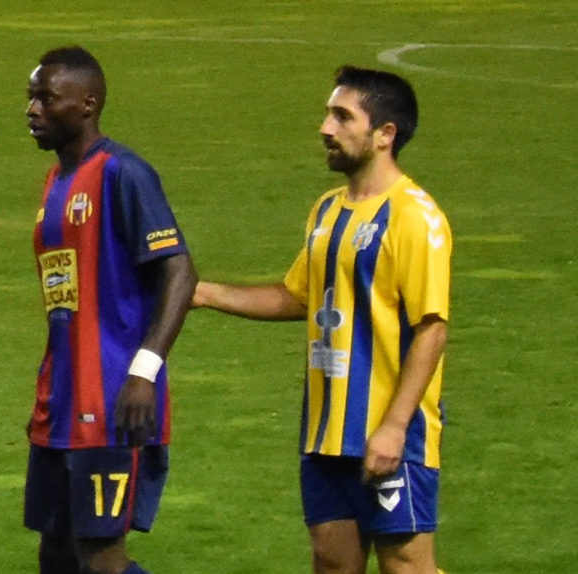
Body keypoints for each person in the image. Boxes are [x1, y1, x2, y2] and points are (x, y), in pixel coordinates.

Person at [193, 66, 452, 574]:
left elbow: (432, 328)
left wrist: (395, 427)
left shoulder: (415, 218)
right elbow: (298, 297)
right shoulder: (327, 211)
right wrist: (202, 293)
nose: (325, 128)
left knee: (406, 567)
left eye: (342, 116)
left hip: (388, 433)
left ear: (384, 135)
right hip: (324, 432)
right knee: (331, 564)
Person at [23, 46, 197, 574]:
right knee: (55, 549)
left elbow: (180, 272)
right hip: (60, 400)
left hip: (114, 400)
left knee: (100, 557)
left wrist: (144, 371)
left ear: (86, 104)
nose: (31, 109)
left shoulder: (124, 174)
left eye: (45, 98)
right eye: (30, 97)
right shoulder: (55, 183)